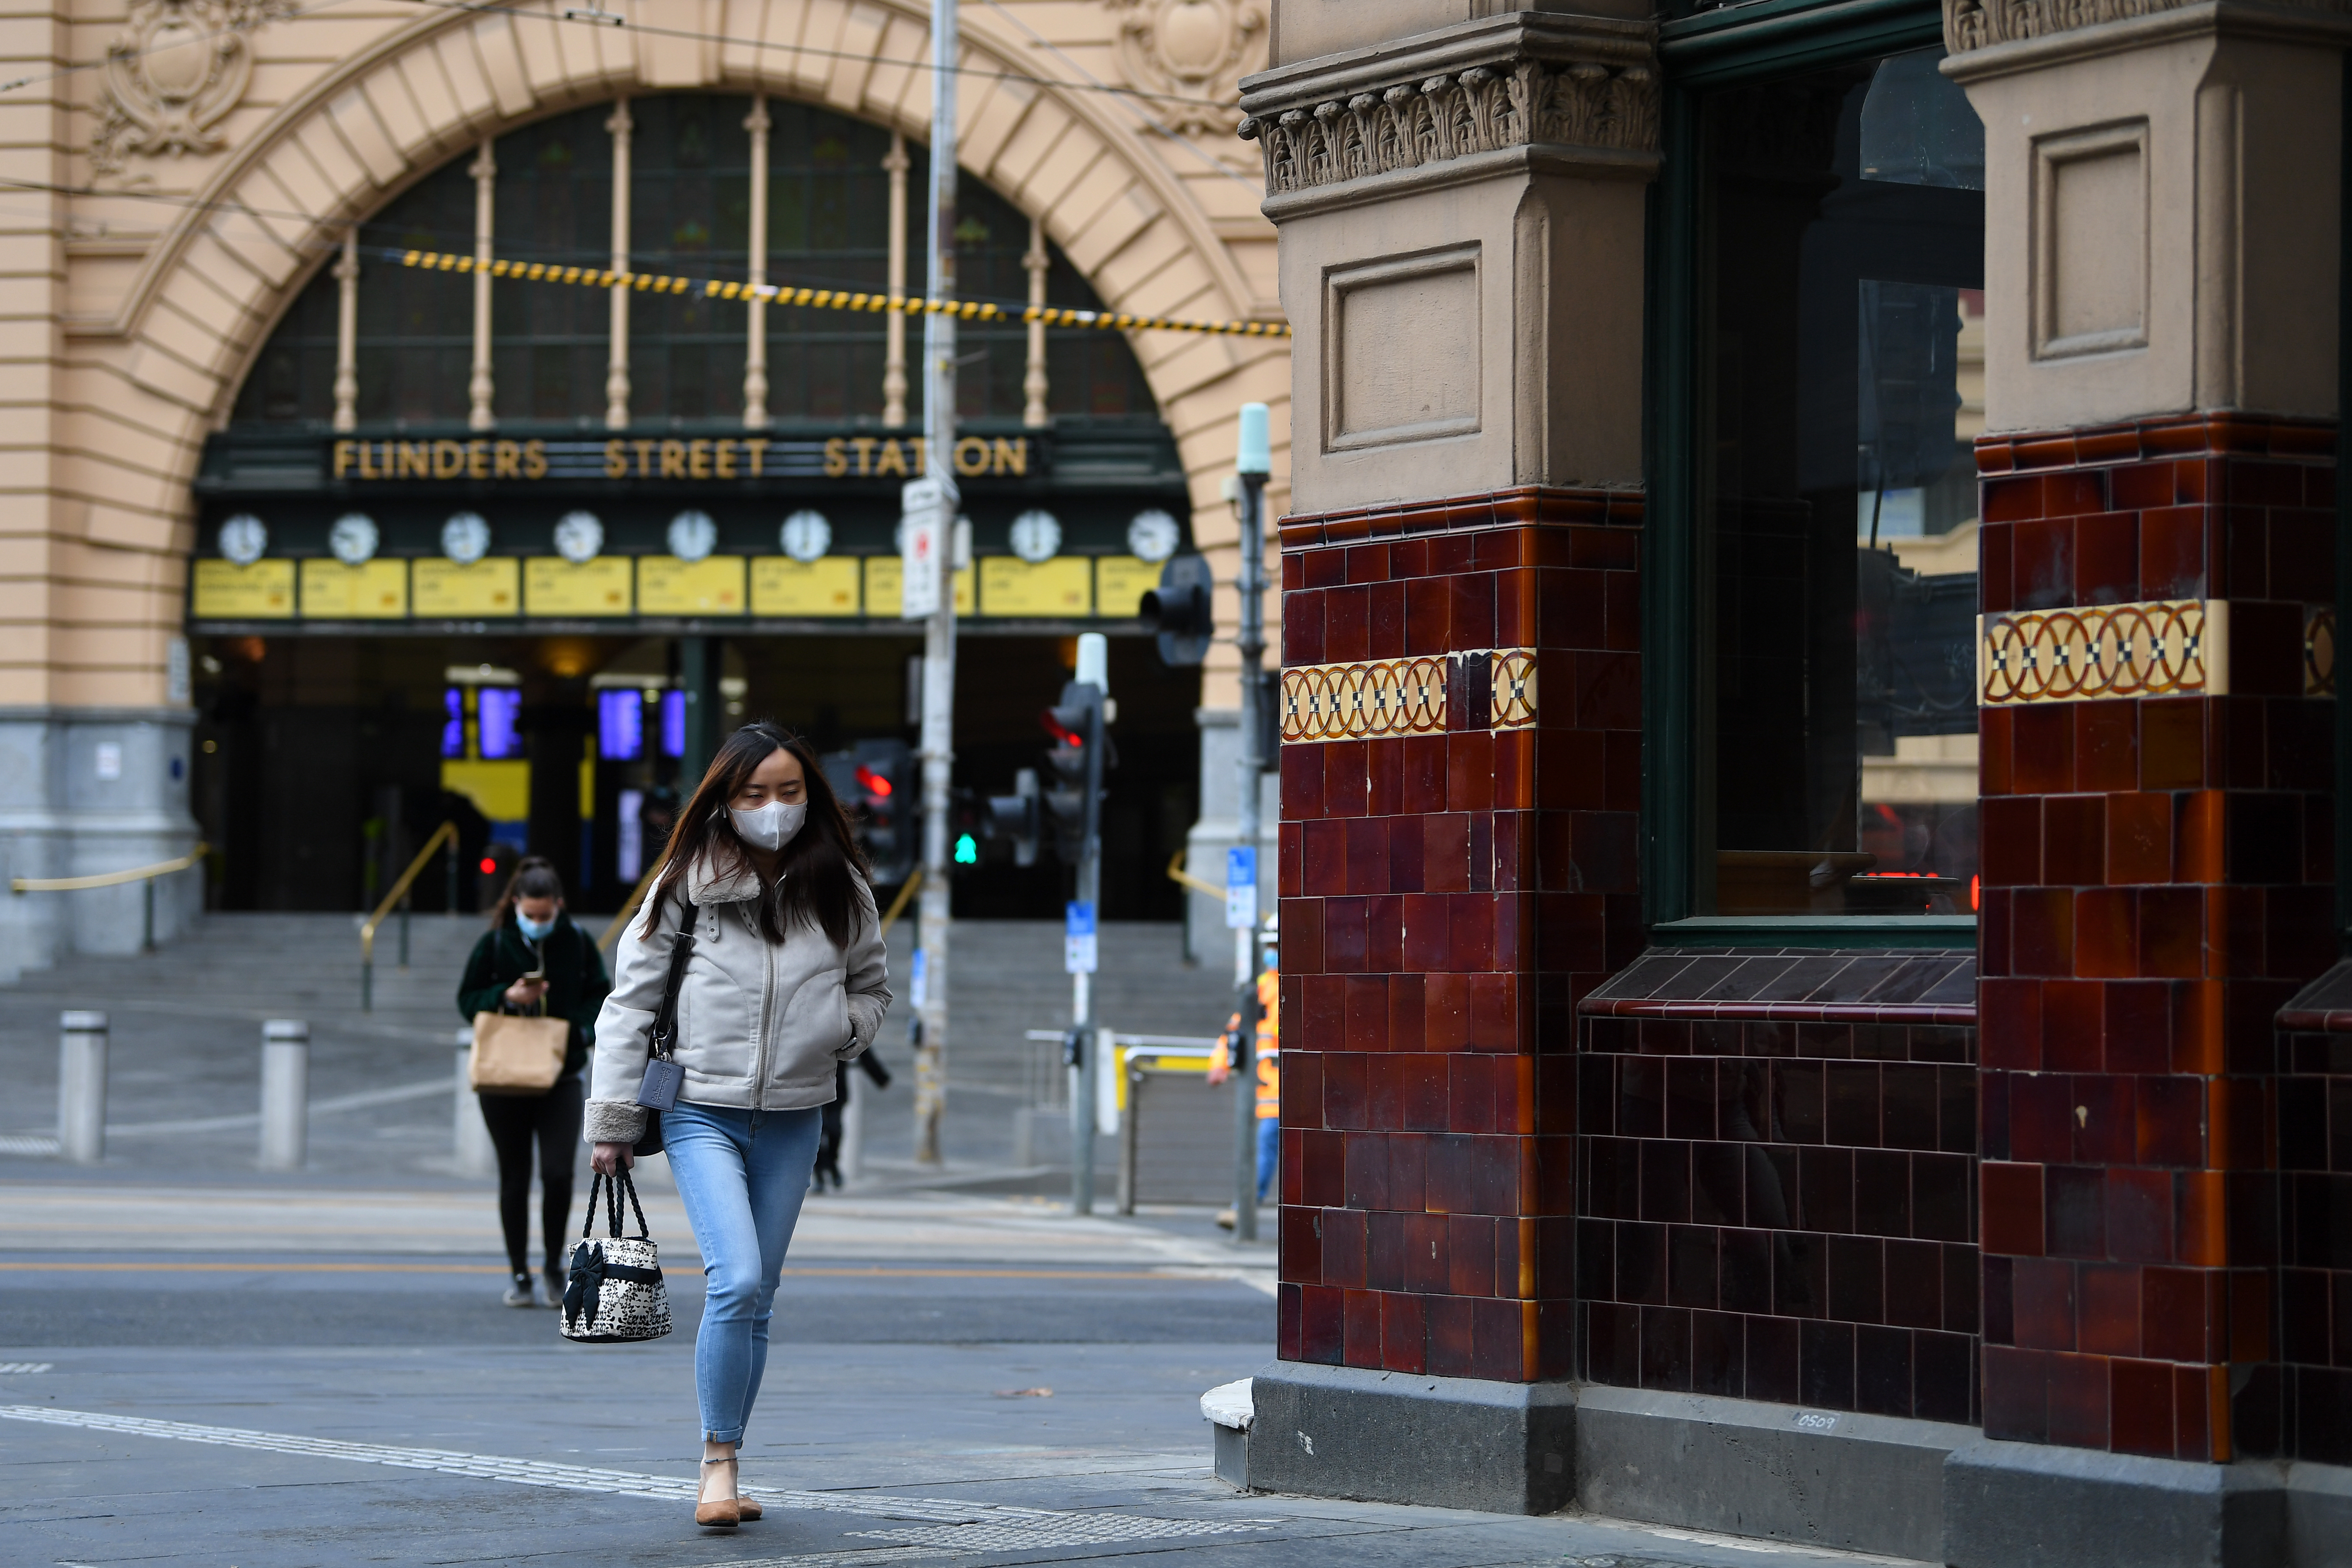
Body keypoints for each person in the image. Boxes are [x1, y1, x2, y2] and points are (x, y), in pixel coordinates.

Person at [587, 723, 891, 1530]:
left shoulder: (841, 885)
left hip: (796, 1114)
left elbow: (872, 986)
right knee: (739, 1278)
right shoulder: (685, 882)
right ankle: (715, 1463)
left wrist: (840, 1029)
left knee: (760, 1298)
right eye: (755, 792)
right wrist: (613, 1119)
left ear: (811, 796)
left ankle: (731, 1452)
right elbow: (629, 1003)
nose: (773, 807)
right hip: (699, 1107)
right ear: (725, 799)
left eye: (789, 790)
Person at [456, 856, 610, 1307]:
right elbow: (466, 999)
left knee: (558, 1173)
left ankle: (553, 1268)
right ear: (516, 904)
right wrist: (506, 995)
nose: (538, 922)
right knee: (515, 1174)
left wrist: (576, 1031)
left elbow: (601, 996)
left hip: (560, 1075)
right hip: (503, 1078)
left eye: (546, 915)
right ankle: (520, 1273)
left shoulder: (577, 941)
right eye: (531, 914)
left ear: (559, 905)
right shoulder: (495, 942)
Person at [1208, 914, 1279, 1229]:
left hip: (1293, 1089)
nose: (1272, 953)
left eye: (1277, 946)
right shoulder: (1262, 988)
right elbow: (1234, 1032)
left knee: (1270, 1146)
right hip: (1269, 1089)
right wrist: (1219, 1064)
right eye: (1270, 946)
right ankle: (1244, 1208)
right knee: (1265, 1145)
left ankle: (1245, 1209)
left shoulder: (1303, 986)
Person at [811, 1049, 891, 1193]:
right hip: (813, 1090)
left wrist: (881, 1078)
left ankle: (832, 1164)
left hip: (837, 1091)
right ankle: (820, 1175)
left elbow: (861, 1049)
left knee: (835, 1130)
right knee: (817, 1135)